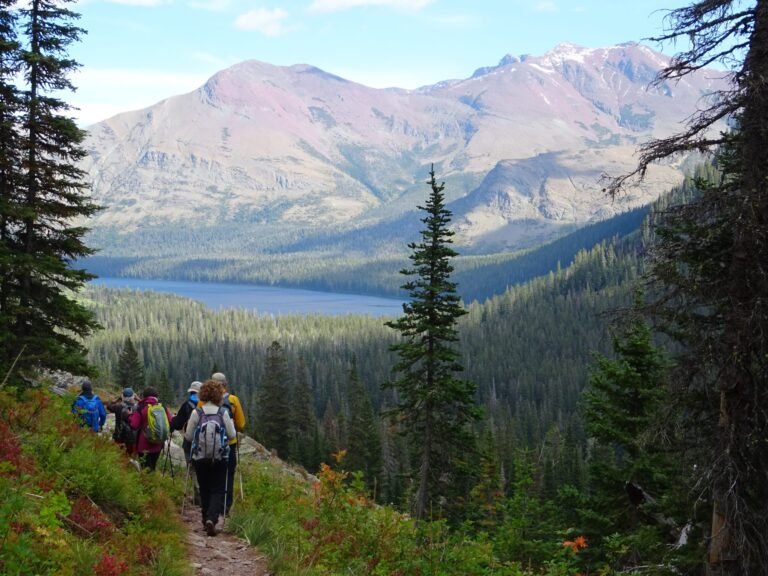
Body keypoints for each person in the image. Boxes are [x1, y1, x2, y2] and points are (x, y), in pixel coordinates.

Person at [185, 379, 236, 537]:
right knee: (218, 488)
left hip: (200, 457)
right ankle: (212, 518)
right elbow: (232, 434)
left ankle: (205, 517)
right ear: (219, 395)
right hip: (220, 456)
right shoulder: (223, 413)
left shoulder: (197, 412)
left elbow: (188, 436)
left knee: (204, 487)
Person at [210, 372, 246, 513]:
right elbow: (241, 424)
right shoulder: (233, 400)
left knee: (211, 474)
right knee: (228, 475)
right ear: (225, 384)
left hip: (210, 443)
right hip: (229, 443)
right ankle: (225, 507)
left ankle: (210, 506)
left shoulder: (204, 400)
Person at [129, 387, 172, 471]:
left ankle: (147, 483)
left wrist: (129, 415)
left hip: (143, 444)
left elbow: (134, 425)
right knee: (152, 467)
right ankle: (153, 482)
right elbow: (170, 421)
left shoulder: (141, 407)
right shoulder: (161, 406)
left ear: (144, 396)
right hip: (158, 444)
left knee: (145, 469)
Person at [171, 381, 202, 462]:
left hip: (190, 440)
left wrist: (174, 419)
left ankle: (192, 473)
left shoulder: (187, 405)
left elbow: (178, 425)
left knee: (191, 466)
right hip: (206, 442)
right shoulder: (208, 405)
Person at [107, 388, 139, 454]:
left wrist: (117, 400)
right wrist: (138, 399)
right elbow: (147, 406)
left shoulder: (118, 407)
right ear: (133, 397)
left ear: (122, 397)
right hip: (133, 438)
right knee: (131, 456)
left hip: (119, 436)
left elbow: (109, 406)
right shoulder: (137, 408)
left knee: (119, 455)